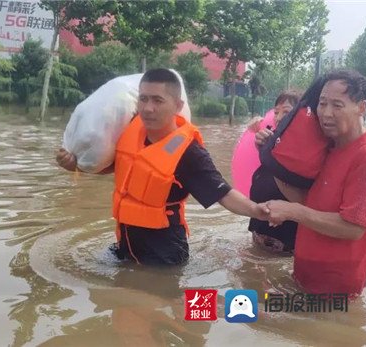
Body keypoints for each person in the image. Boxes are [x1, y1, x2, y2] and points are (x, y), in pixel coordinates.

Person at [56, 68, 268, 266]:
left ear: (177, 105)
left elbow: (223, 193)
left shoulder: (188, 152)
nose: (148, 108)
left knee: (161, 302)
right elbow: (115, 167)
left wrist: (256, 211)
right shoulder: (129, 132)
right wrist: (76, 166)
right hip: (125, 244)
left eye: (158, 100)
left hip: (164, 255)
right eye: (143, 99)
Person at [263, 70, 366, 295]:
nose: (326, 113)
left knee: (240, 312)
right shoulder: (329, 147)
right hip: (305, 277)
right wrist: (270, 157)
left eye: (337, 105)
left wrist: (293, 211)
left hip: (334, 293)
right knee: (242, 310)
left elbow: (352, 228)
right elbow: (310, 202)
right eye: (322, 104)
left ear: (361, 108)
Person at [246, 90, 302, 254]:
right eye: (276, 112)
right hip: (259, 234)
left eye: (286, 112)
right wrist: (260, 145)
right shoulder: (271, 144)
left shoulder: (303, 154)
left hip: (284, 243)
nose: (278, 117)